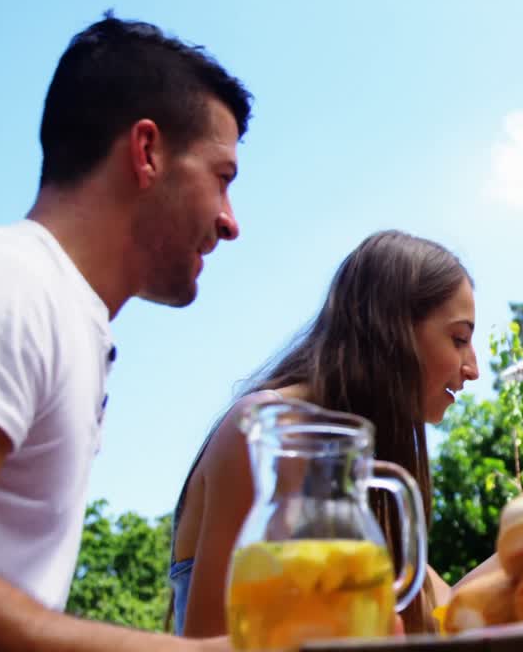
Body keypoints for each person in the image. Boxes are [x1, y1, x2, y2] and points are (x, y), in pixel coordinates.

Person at [0, 14, 250, 651]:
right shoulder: (9, 285)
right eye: (223, 179)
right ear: (147, 151)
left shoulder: (67, 317)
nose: (230, 221)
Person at [172, 231, 478, 636]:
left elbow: (451, 611)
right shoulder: (269, 435)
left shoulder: (354, 477)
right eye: (458, 339)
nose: (473, 368)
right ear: (393, 329)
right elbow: (209, 643)